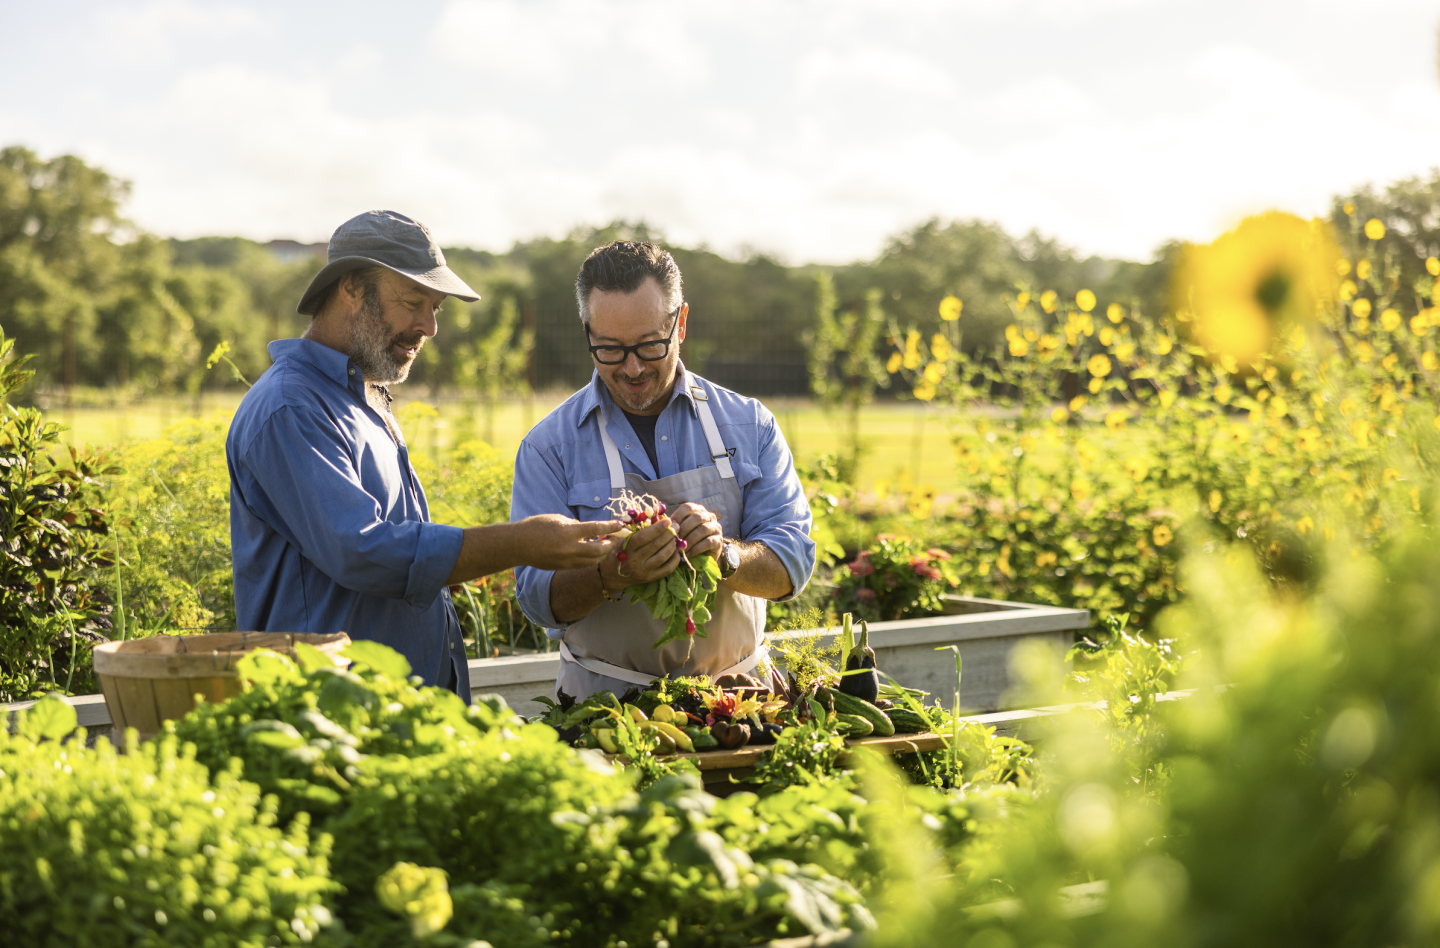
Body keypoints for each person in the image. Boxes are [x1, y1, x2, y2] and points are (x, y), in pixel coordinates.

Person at [227, 210, 623, 697]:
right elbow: (363, 552)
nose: (430, 327)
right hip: (327, 718)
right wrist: (520, 543)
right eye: (414, 301)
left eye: (436, 307)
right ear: (350, 287)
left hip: (389, 714)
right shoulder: (291, 407)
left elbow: (399, 556)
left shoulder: (362, 397)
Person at [512, 240, 814, 700]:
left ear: (681, 323)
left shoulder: (748, 424)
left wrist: (724, 556)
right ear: (586, 330)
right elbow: (537, 598)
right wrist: (612, 574)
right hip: (605, 705)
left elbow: (792, 563)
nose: (632, 368)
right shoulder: (548, 447)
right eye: (609, 348)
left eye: (650, 344)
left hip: (739, 703)